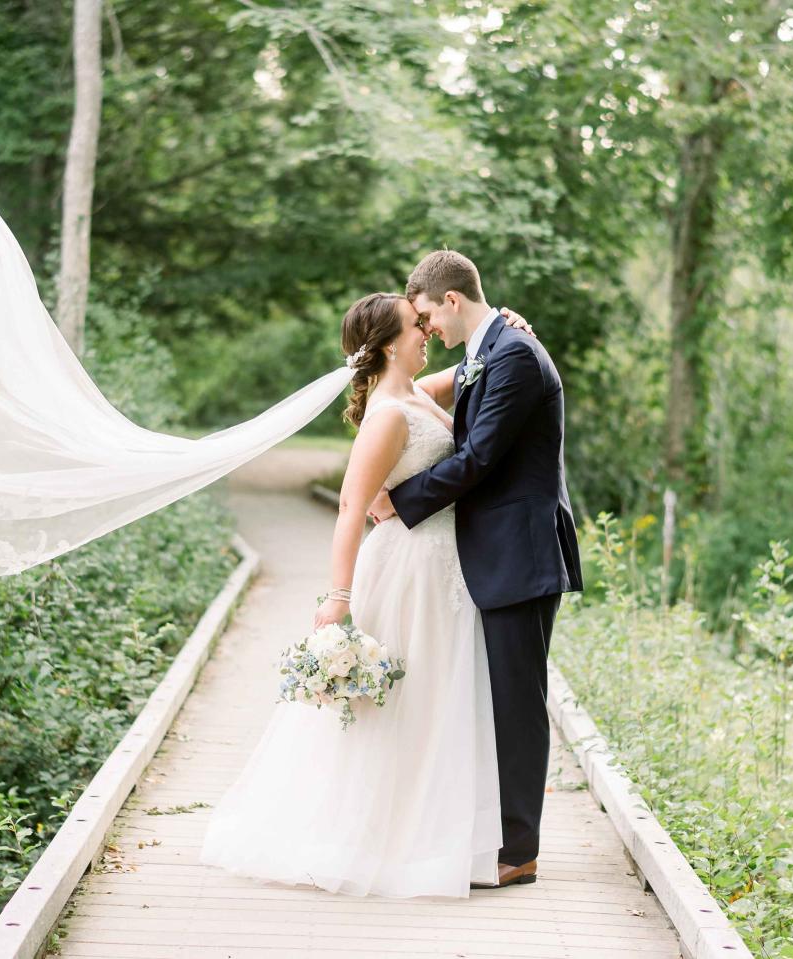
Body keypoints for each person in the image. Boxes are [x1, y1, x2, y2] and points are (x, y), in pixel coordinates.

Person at [198, 291, 536, 897]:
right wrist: (337, 596)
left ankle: (434, 835)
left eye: (427, 320)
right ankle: (380, 839)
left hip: (444, 568)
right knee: (401, 704)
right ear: (386, 344)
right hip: (406, 569)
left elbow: (471, 370)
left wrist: (503, 326)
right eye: (416, 326)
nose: (427, 330)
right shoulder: (386, 413)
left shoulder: (415, 393)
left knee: (437, 701)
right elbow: (352, 506)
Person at [369, 251, 583, 890]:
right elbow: (436, 393)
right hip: (493, 553)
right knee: (497, 697)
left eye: (430, 314)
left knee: (518, 701)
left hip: (519, 550)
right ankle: (495, 833)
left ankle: (518, 851)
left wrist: (397, 502)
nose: (428, 328)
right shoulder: (490, 349)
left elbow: (482, 455)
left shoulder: (512, 354)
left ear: (452, 301)